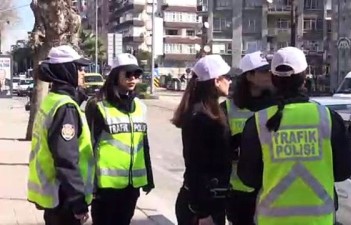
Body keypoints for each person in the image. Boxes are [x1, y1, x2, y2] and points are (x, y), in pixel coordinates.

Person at [237, 46, 351, 225]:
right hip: (319, 219)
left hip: (272, 220)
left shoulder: (258, 121)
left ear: (273, 78)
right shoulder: (328, 118)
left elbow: (248, 177)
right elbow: (344, 171)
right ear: (304, 76)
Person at [27, 45, 94, 225]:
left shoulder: (52, 99)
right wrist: (78, 202)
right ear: (66, 70)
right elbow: (66, 159)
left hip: (55, 193)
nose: (82, 73)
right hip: (64, 196)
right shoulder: (65, 107)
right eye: (78, 68)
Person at [85, 53, 154, 225]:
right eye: (128, 74)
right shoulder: (98, 105)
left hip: (131, 187)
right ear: (116, 75)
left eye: (136, 75)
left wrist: (149, 178)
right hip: (105, 189)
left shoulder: (140, 106)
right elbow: (88, 147)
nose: (133, 78)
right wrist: (89, 187)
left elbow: (143, 144)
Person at [171, 55, 233, 225]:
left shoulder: (211, 112)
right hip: (201, 208)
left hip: (211, 202)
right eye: (227, 77)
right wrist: (203, 212)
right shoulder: (200, 117)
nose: (230, 81)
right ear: (216, 81)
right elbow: (196, 167)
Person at [220, 51, 275, 225]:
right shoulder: (227, 109)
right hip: (241, 193)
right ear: (249, 76)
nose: (270, 74)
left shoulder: (278, 106)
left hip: (272, 188)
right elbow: (217, 152)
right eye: (265, 70)